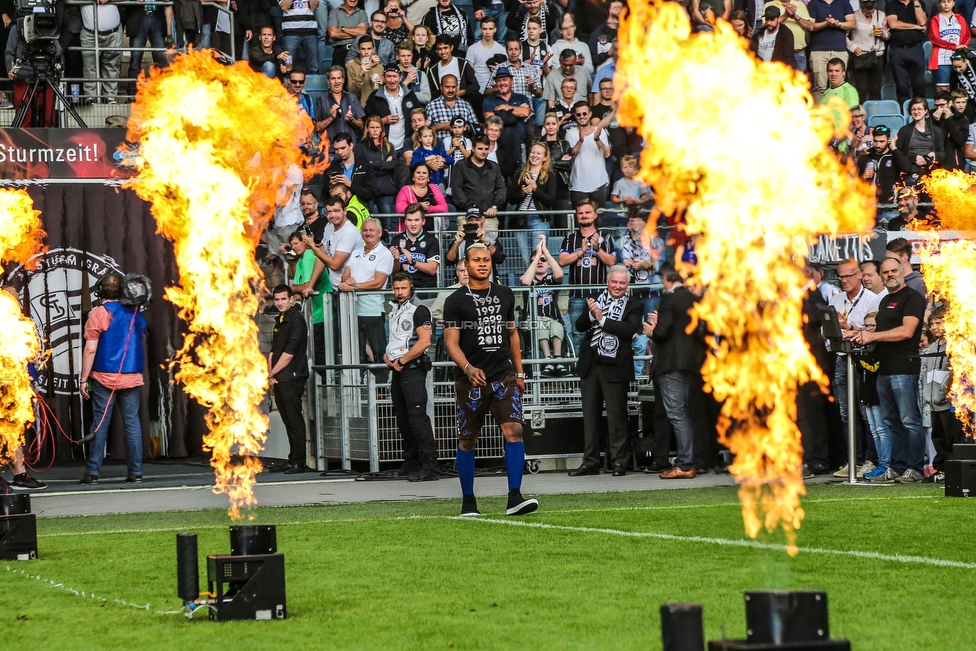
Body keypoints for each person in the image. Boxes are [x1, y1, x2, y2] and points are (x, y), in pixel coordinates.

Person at [442, 244, 538, 517]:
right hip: (469, 380)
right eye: (476, 260)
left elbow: (513, 335)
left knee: (515, 431)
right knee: (468, 440)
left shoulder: (505, 294)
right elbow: (451, 342)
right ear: (466, 264)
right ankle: (468, 501)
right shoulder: (455, 301)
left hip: (503, 376)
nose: (482, 264)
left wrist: (519, 373)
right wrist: (468, 367)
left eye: (486, 260)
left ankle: (515, 496)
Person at [845, 258, 926, 483]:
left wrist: (873, 336)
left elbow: (907, 331)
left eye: (893, 271)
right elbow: (877, 332)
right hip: (884, 368)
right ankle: (897, 467)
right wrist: (854, 331)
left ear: (901, 271)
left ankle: (916, 467)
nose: (890, 275)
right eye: (886, 272)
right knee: (891, 422)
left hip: (904, 367)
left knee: (910, 420)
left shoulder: (912, 297)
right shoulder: (884, 301)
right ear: (881, 275)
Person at [570, 265, 643, 477]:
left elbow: (629, 330)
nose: (617, 286)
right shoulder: (595, 299)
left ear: (627, 285)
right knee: (590, 417)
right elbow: (579, 325)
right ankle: (590, 461)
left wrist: (602, 319)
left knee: (617, 416)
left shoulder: (635, 304)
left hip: (615, 366)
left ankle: (619, 461)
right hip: (590, 364)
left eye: (622, 283)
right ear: (607, 281)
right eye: (614, 282)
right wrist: (593, 316)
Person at [79, 273, 148, 484]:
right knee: (132, 424)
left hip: (103, 378)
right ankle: (135, 473)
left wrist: (83, 380)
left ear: (99, 291)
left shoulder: (98, 313)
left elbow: (90, 350)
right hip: (131, 377)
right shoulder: (136, 312)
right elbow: (142, 334)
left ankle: (92, 473)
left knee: (99, 425)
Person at [644, 264, 705, 479]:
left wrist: (652, 329)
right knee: (684, 411)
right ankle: (689, 461)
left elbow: (662, 332)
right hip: (690, 363)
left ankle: (685, 464)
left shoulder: (669, 298)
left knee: (677, 413)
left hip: (671, 364)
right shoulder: (693, 299)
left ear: (667, 277)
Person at [828, 258, 881, 478]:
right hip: (841, 356)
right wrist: (832, 328)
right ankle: (853, 459)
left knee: (864, 410)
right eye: (841, 277)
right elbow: (828, 330)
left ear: (859, 275)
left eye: (848, 276)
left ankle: (869, 459)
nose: (844, 281)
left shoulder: (872, 299)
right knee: (845, 411)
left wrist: (848, 326)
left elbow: (871, 331)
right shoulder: (836, 298)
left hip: (863, 359)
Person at [384, 272, 439, 481]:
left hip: (412, 368)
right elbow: (398, 339)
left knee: (417, 419)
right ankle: (411, 462)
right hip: (398, 368)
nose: (399, 292)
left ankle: (430, 466)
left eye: (403, 288)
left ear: (411, 287)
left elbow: (424, 342)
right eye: (396, 288)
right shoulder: (395, 309)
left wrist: (402, 360)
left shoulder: (419, 309)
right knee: (403, 419)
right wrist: (387, 355)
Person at [336, 219, 394, 378]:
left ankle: (381, 391)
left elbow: (379, 282)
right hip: (352, 311)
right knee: (357, 351)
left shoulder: (384, 254)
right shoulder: (356, 252)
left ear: (380, 233)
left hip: (372, 311)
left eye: (371, 230)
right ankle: (358, 388)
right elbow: (345, 275)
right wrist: (348, 280)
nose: (368, 233)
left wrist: (354, 287)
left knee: (377, 352)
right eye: (365, 230)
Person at [558, 199, 617, 355]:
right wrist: (581, 252)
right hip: (577, 296)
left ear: (595, 214)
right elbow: (562, 261)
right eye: (580, 213)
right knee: (578, 335)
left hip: (599, 296)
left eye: (587, 212)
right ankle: (580, 374)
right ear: (577, 216)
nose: (584, 216)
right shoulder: (570, 238)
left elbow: (612, 262)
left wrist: (597, 249)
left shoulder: (605, 237)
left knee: (601, 333)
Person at [267, 285, 311, 474]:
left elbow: (289, 353)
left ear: (291, 299)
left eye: (283, 299)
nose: (279, 303)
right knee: (287, 419)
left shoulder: (297, 320)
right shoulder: (281, 320)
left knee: (294, 420)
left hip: (292, 377)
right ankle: (292, 458)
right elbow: (273, 350)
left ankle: (299, 461)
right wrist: (271, 373)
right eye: (277, 300)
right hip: (279, 378)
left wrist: (272, 372)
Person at [921, 306, 963, 481]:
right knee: (938, 437)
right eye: (932, 324)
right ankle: (940, 468)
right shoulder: (932, 348)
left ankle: (953, 468)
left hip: (946, 401)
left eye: (939, 322)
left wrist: (946, 391)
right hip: (933, 401)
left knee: (951, 435)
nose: (935, 327)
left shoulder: (954, 344)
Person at [520, 235, 566, 376]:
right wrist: (538, 255)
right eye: (535, 261)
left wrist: (545, 252)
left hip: (552, 319)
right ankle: (547, 361)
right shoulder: (527, 278)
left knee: (556, 326)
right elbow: (526, 282)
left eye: (543, 260)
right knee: (541, 325)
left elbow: (559, 275)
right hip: (531, 321)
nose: (539, 262)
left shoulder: (551, 279)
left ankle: (557, 361)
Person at [854, 310, 891, 479]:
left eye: (872, 325)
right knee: (874, 430)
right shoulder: (864, 347)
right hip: (866, 394)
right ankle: (878, 462)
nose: (868, 328)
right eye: (866, 325)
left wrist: (860, 357)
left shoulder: (880, 347)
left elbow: (874, 367)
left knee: (882, 430)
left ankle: (886, 464)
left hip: (878, 395)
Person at [289, 230, 331, 370]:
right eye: (291, 245)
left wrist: (293, 289)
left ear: (305, 242)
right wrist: (296, 289)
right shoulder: (301, 259)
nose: (294, 247)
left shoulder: (308, 255)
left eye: (296, 243)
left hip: (321, 313)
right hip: (314, 314)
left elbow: (305, 286)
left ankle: (325, 388)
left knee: (320, 355)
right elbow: (297, 288)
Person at [304, 196, 365, 288]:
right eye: (329, 212)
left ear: (345, 211)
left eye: (336, 211)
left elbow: (335, 265)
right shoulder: (329, 226)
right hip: (334, 286)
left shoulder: (349, 232)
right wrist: (310, 286)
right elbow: (322, 256)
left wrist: (313, 247)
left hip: (351, 287)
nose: (332, 215)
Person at [449, 136, 507, 232]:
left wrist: (495, 206)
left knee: (490, 246)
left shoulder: (494, 167)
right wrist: (469, 207)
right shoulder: (460, 166)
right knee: (466, 246)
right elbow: (456, 189)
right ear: (473, 148)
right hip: (466, 217)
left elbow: (501, 188)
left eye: (486, 149)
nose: (483, 152)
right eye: (480, 149)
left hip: (489, 218)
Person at [364, 63, 424, 151]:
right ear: (383, 77)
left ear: (400, 77)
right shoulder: (375, 96)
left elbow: (419, 115)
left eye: (395, 76)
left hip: (406, 145)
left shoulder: (409, 95)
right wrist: (382, 121)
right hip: (383, 146)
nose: (392, 80)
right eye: (388, 76)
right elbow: (366, 121)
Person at [806, 0, 855, 103]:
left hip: (839, 49)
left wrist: (838, 24)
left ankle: (839, 115)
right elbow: (810, 26)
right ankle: (820, 117)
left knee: (839, 85)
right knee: (819, 87)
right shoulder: (813, 3)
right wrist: (826, 23)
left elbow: (853, 24)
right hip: (818, 50)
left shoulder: (844, 2)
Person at [565, 101, 611, 206]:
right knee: (580, 220)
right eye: (578, 114)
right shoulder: (570, 133)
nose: (582, 116)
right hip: (578, 185)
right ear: (575, 116)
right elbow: (570, 156)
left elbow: (607, 154)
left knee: (599, 221)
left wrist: (597, 139)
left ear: (590, 114)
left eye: (584, 113)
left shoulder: (600, 131)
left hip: (599, 184)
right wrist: (580, 141)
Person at [357, 115, 401, 217]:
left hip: (386, 190)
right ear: (367, 129)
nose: (375, 130)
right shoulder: (360, 147)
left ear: (382, 129)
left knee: (388, 223)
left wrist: (373, 163)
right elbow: (363, 166)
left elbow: (392, 164)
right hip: (368, 189)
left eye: (377, 127)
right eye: (372, 127)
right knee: (367, 220)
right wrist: (383, 164)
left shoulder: (389, 146)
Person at [884, 0, 928, 104]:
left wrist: (916, 2)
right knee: (902, 88)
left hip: (916, 49)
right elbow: (893, 24)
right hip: (897, 50)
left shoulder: (919, 3)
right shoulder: (891, 4)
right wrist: (915, 26)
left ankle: (921, 116)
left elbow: (922, 22)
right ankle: (905, 117)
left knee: (919, 87)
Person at [80, 0, 123, 103]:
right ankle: (91, 97)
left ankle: (110, 97)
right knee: (89, 66)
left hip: (114, 32)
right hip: (89, 33)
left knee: (112, 65)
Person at [845, 0, 887, 102]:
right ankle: (860, 115)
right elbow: (844, 36)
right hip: (861, 56)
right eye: (866, 13)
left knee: (875, 89)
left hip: (877, 55)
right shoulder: (854, 16)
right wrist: (853, 48)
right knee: (861, 89)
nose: (868, 14)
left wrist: (882, 34)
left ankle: (874, 115)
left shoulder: (881, 15)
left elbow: (888, 35)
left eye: (871, 12)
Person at [391, 203, 441, 288]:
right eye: (410, 220)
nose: (413, 224)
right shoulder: (396, 240)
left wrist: (412, 262)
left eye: (416, 220)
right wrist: (396, 261)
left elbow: (432, 269)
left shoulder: (431, 240)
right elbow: (394, 272)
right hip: (404, 291)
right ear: (405, 221)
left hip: (426, 291)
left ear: (423, 221)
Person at [314, 66, 367, 140]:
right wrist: (331, 118)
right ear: (328, 81)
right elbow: (316, 128)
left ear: (343, 80)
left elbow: (361, 126)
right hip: (329, 149)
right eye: (333, 78)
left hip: (349, 148)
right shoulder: (321, 99)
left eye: (339, 78)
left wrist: (351, 119)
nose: (336, 81)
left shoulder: (352, 98)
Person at [927, 0, 969, 93]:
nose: (946, 4)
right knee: (943, 90)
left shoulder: (960, 18)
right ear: (939, 3)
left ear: (953, 3)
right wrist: (954, 46)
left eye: (949, 1)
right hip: (941, 59)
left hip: (957, 58)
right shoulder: (935, 19)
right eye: (943, 1)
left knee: (959, 90)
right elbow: (934, 38)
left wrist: (961, 47)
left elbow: (967, 35)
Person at [327, 132, 375, 208]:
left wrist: (350, 184)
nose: (339, 152)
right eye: (336, 149)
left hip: (359, 208)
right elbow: (323, 195)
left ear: (351, 145)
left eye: (343, 148)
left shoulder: (365, 166)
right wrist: (330, 186)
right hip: (337, 210)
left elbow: (370, 195)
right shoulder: (331, 167)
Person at [426, 74, 480, 140]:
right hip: (440, 147)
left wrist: (465, 127)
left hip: (463, 148)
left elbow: (477, 129)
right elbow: (423, 132)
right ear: (441, 87)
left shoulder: (466, 105)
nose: (451, 90)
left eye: (453, 87)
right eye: (447, 87)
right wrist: (439, 127)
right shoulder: (431, 106)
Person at [395, 163, 449, 229]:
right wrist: (419, 206)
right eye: (418, 172)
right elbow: (399, 208)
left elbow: (444, 207)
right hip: (410, 232)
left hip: (432, 232)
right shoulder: (405, 190)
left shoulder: (433, 187)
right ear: (413, 176)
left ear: (428, 177)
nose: (421, 175)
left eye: (424, 173)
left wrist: (428, 208)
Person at [765, 0, 813, 71]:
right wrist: (786, 15)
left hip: (799, 53)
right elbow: (766, 27)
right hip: (778, 54)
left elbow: (810, 27)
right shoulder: (769, 5)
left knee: (800, 80)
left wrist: (797, 18)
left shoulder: (800, 5)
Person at [931, 90, 971, 170]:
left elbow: (960, 141)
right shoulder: (931, 118)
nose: (939, 108)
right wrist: (935, 122)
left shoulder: (961, 119)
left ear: (950, 103)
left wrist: (949, 120)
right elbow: (932, 140)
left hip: (954, 165)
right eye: (937, 105)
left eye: (942, 105)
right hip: (936, 164)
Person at [466, 15, 507, 94]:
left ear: (495, 29)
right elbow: (469, 74)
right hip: (477, 92)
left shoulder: (502, 50)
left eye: (490, 29)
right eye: (485, 29)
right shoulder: (472, 49)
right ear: (480, 30)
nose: (487, 32)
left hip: (496, 91)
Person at [281, 0, 320, 74]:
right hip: (290, 33)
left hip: (310, 31)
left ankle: (313, 84)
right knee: (288, 66)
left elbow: (314, 7)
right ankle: (288, 83)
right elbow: (284, 7)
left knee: (313, 67)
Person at [327, 0, 368, 66]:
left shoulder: (362, 13)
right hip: (340, 51)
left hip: (357, 52)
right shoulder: (335, 12)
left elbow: (363, 32)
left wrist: (343, 28)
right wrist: (356, 32)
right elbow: (333, 33)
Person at [347, 36, 385, 106]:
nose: (366, 52)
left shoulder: (380, 68)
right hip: (361, 108)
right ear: (358, 50)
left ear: (373, 50)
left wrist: (383, 83)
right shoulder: (352, 66)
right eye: (363, 49)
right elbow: (352, 93)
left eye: (369, 49)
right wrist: (360, 74)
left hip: (377, 107)